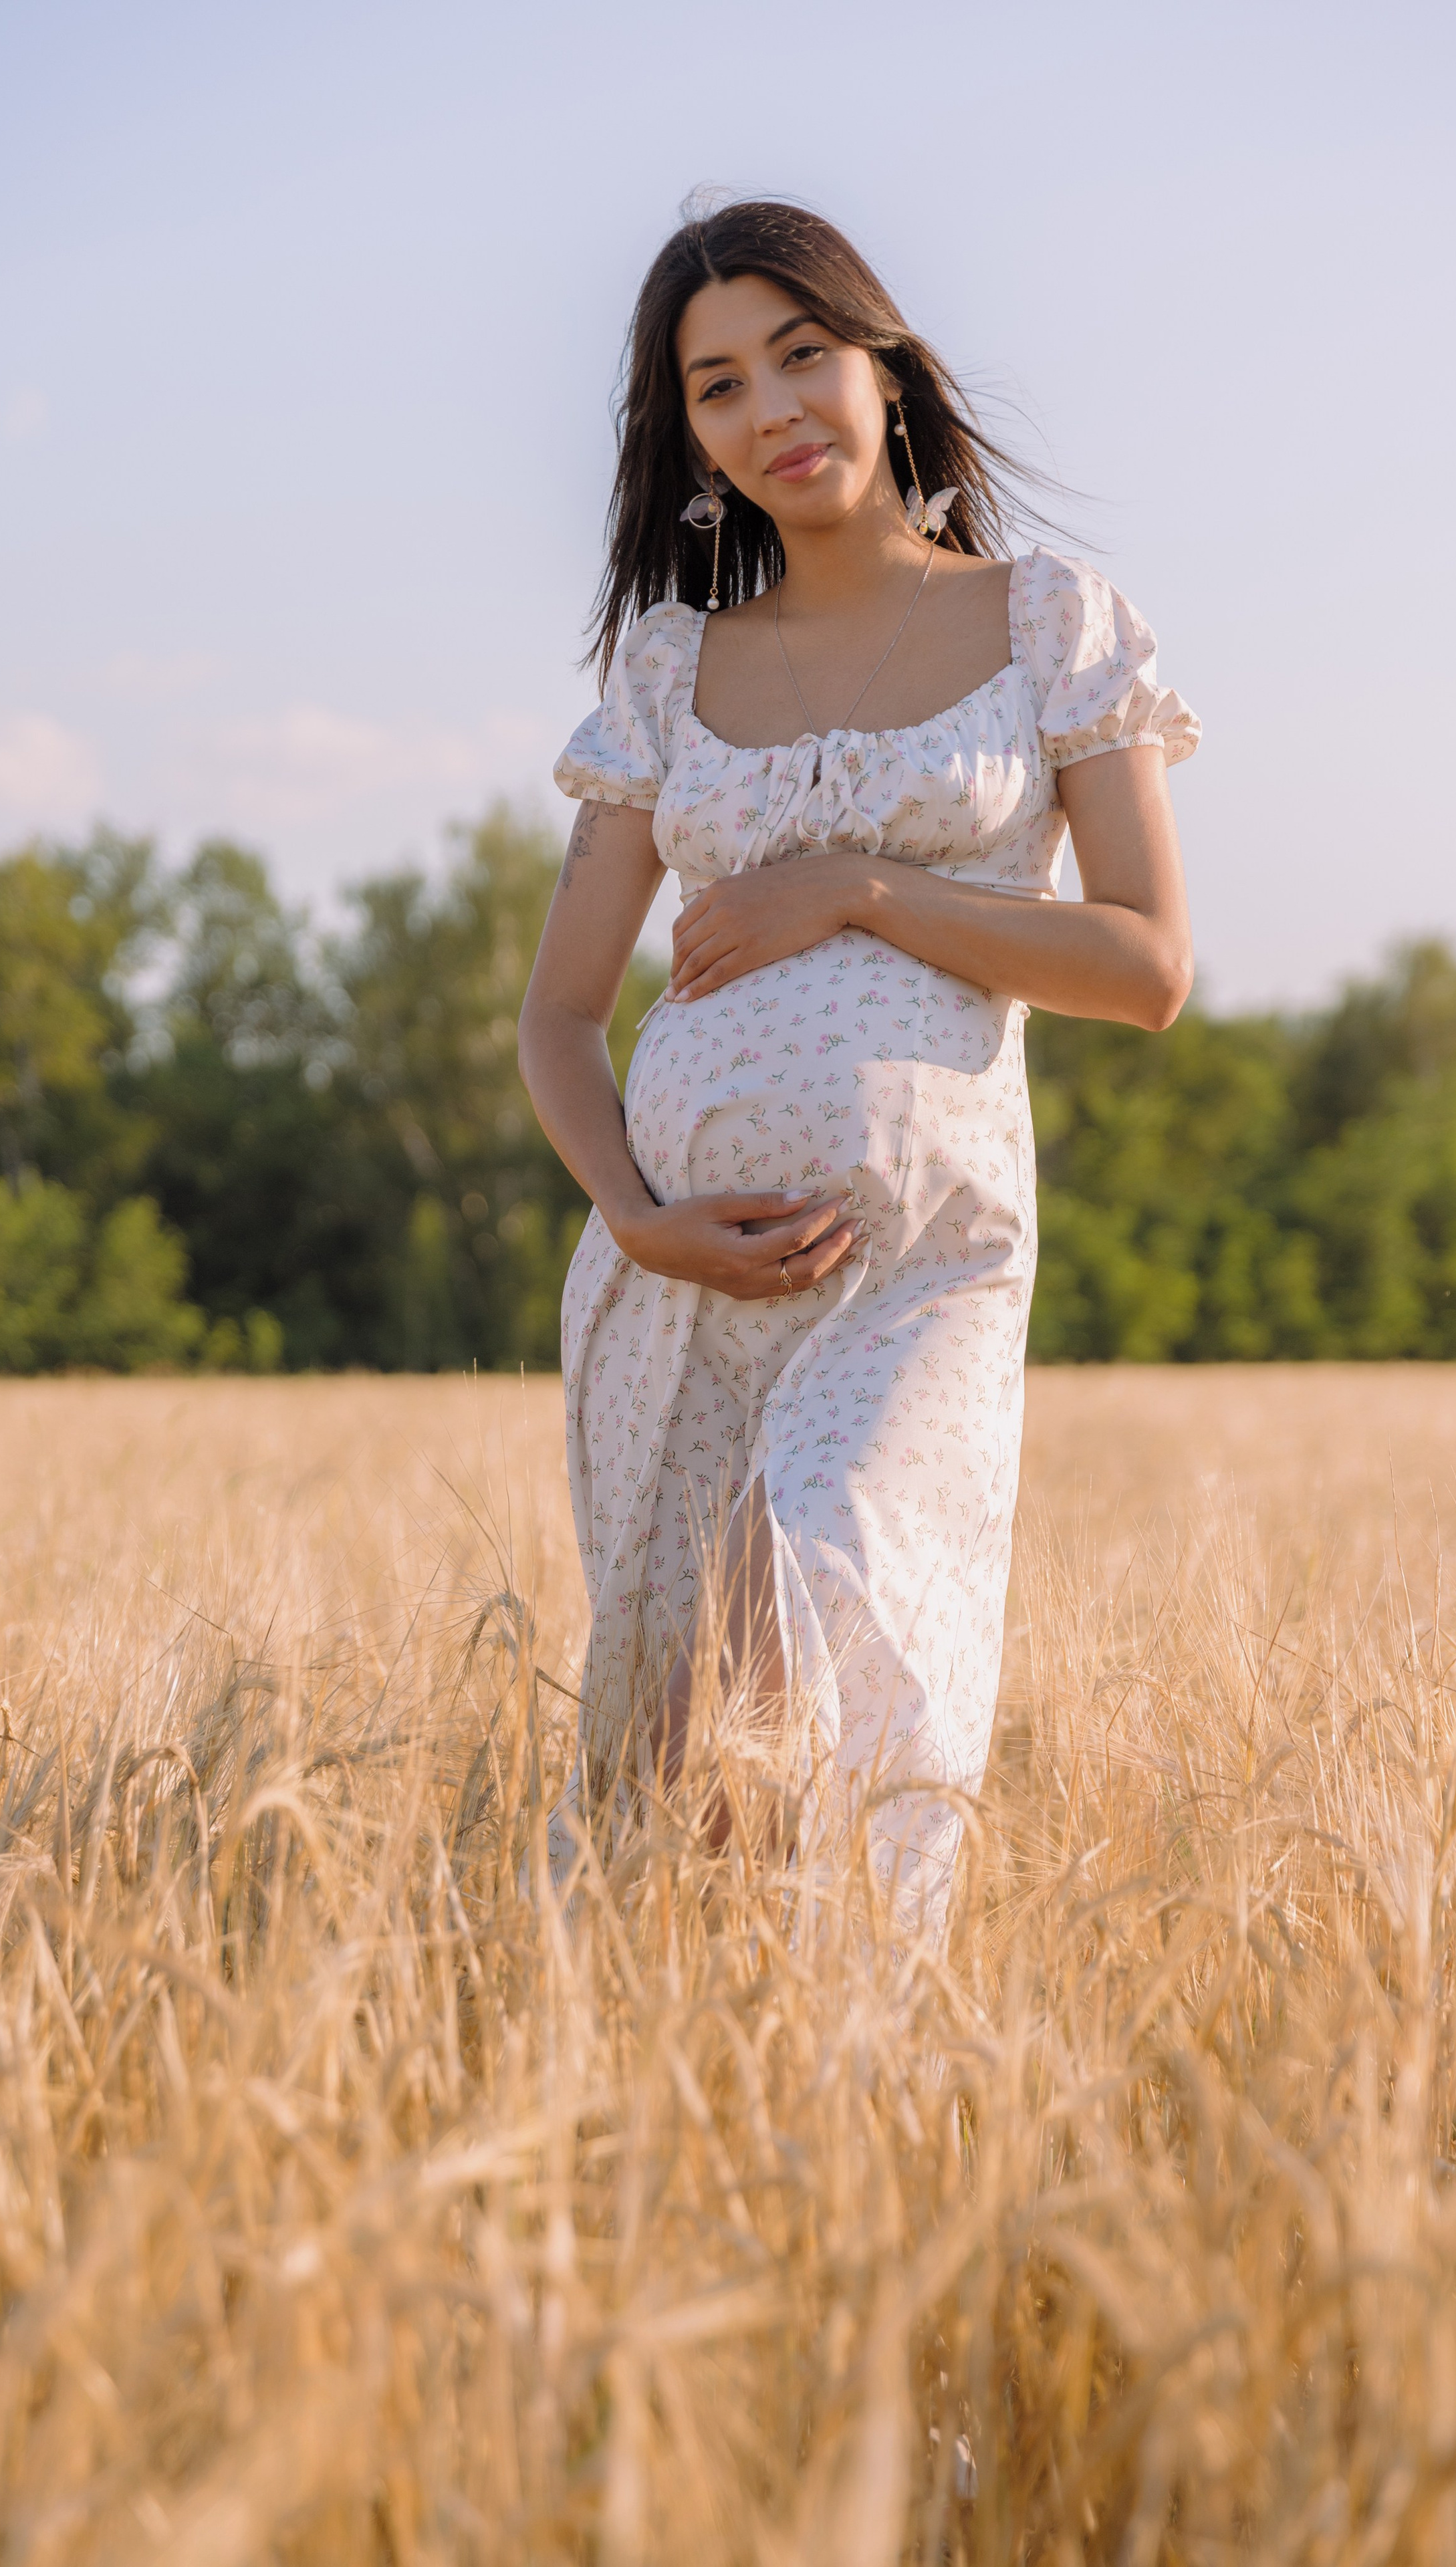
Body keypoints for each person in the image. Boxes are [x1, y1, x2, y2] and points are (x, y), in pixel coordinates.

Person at [519, 198, 1197, 1931]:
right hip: (680, 1269)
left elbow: (1145, 963)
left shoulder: (1050, 624)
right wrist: (637, 1217)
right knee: (674, 1754)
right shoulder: (674, 666)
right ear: (690, 439)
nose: (773, 410)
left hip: (916, 1259)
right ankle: (676, 2138)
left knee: (806, 1636)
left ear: (885, 361)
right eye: (718, 384)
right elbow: (557, 1019)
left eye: (801, 354)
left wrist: (864, 888)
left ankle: (858, 2087)